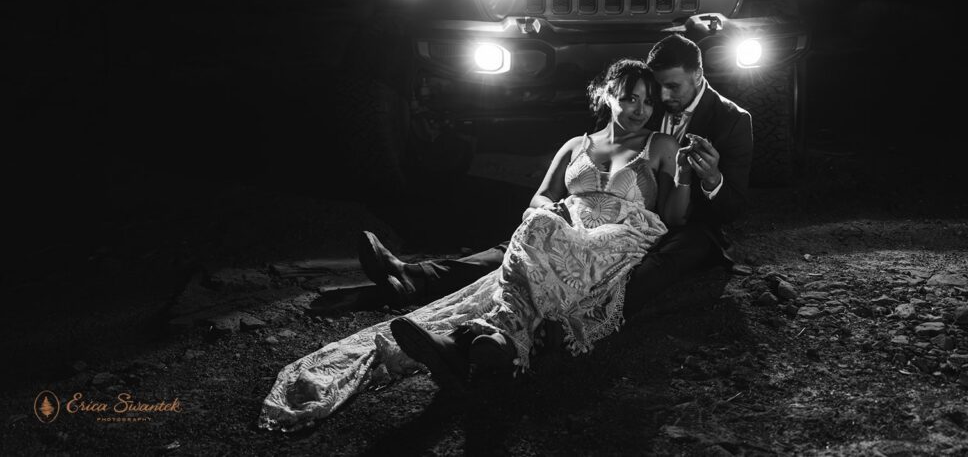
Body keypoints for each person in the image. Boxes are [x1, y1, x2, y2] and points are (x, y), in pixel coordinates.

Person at [259, 59, 692, 432]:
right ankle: (491, 341)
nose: (640, 109)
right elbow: (539, 197)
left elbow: (674, 217)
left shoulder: (661, 146)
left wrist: (690, 178)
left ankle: (480, 338)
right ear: (607, 95)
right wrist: (555, 210)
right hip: (565, 228)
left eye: (649, 101)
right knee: (537, 225)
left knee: (534, 256)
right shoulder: (577, 145)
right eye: (631, 97)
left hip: (619, 233)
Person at [357, 33, 752, 317]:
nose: (659, 99)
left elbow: (732, 206)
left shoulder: (732, 121)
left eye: (671, 87)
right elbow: (605, 148)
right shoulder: (643, 103)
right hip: (607, 212)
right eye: (649, 92)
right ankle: (418, 277)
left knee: (669, 254)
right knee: (532, 239)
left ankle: (595, 311)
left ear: (699, 76)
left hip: (682, 223)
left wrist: (712, 178)